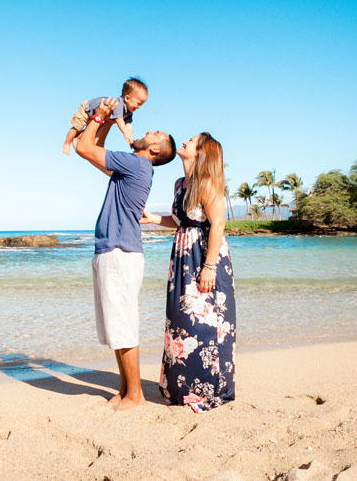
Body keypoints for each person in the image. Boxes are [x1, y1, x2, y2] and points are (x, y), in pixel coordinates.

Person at [76, 97, 176, 411]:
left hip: (120, 250)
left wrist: (100, 117)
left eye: (155, 133)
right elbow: (91, 151)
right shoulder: (131, 167)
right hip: (114, 248)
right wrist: (102, 119)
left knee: (123, 322)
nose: (148, 130)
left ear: (155, 149)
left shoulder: (136, 163)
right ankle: (124, 389)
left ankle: (136, 395)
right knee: (115, 324)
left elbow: (82, 147)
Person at [140, 133, 236, 413]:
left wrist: (209, 267)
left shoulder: (207, 183)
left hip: (206, 257)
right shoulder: (179, 184)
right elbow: (181, 221)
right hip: (182, 259)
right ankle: (181, 386)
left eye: (191, 140)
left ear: (201, 152)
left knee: (207, 324)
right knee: (181, 320)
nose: (184, 141)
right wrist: (154, 219)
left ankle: (209, 388)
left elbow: (217, 225)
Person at [62, 77, 148, 155]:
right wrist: (125, 132)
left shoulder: (129, 111)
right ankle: (66, 143)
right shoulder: (118, 104)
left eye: (141, 105)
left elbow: (129, 125)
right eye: (138, 103)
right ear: (127, 98)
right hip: (88, 109)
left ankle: (76, 138)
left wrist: (130, 139)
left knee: (92, 130)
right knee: (77, 127)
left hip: (97, 115)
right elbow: (119, 120)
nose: (139, 107)